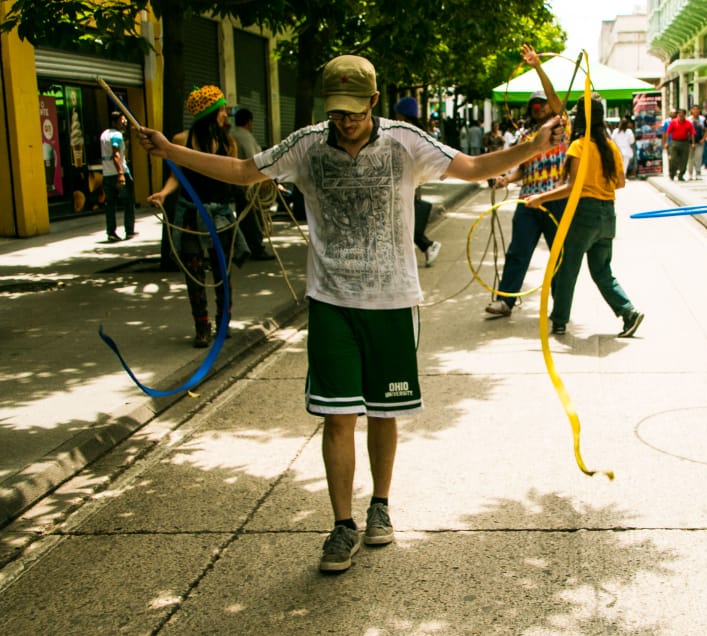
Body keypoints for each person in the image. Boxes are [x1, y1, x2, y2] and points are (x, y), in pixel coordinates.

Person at [134, 54, 565, 574]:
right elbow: (246, 171)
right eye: (337, 111)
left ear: (374, 102)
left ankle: (380, 504)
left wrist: (531, 147)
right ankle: (341, 525)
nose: (346, 121)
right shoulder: (308, 144)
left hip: (392, 300)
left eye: (355, 111)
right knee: (337, 416)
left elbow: (471, 167)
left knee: (384, 412)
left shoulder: (405, 142)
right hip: (332, 301)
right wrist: (172, 151)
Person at [526, 95, 644, 337]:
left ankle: (559, 320)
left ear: (581, 118)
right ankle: (628, 312)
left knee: (567, 268)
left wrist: (539, 198)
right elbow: (620, 183)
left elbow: (573, 187)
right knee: (602, 270)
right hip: (608, 213)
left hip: (585, 214)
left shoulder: (579, 146)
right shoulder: (610, 146)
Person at [146, 85, 245, 348]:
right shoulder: (180, 141)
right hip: (192, 213)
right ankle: (202, 327)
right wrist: (164, 194)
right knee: (194, 272)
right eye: (222, 109)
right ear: (210, 113)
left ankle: (224, 321)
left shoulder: (228, 142)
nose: (226, 114)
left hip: (221, 214)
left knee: (222, 272)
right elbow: (176, 174)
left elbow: (235, 173)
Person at [484, 44, 568, 318]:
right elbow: (522, 170)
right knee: (517, 251)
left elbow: (555, 96)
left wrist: (537, 67)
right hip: (527, 200)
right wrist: (505, 179)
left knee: (558, 256)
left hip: (555, 200)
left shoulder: (560, 127)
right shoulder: (526, 136)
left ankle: (560, 308)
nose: (538, 107)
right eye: (535, 104)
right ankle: (505, 301)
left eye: (542, 103)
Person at [394, 96, 442, 266]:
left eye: (397, 113)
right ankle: (425, 247)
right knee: (404, 222)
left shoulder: (406, 133)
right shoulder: (417, 133)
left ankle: (428, 246)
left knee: (404, 223)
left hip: (405, 184)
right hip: (408, 183)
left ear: (402, 114)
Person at [230, 108, 275, 261]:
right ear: (249, 122)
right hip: (249, 185)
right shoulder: (245, 137)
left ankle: (244, 247)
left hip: (238, 184)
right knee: (252, 217)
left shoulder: (233, 135)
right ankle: (255, 247)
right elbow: (253, 160)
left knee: (244, 217)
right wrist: (264, 178)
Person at [100, 111, 135, 242]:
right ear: (114, 122)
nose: (124, 123)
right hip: (119, 173)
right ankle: (129, 231)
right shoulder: (117, 135)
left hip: (107, 174)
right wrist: (121, 174)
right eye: (122, 121)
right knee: (128, 202)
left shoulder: (104, 135)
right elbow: (116, 155)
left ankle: (111, 232)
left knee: (110, 204)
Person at [662, 109, 695, 182]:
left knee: (684, 159)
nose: (680, 117)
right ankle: (672, 174)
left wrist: (693, 143)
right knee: (673, 159)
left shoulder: (688, 123)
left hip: (684, 142)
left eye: (682, 115)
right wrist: (666, 142)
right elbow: (668, 132)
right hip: (675, 142)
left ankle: (681, 175)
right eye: (679, 115)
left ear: (684, 115)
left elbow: (692, 133)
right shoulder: (673, 122)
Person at [686, 104, 706, 180]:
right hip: (690, 142)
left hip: (699, 141)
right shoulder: (688, 120)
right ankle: (690, 173)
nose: (696, 111)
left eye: (697, 109)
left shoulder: (702, 119)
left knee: (698, 157)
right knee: (690, 158)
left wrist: (703, 138)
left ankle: (698, 172)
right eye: (694, 109)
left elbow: (706, 130)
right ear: (691, 110)